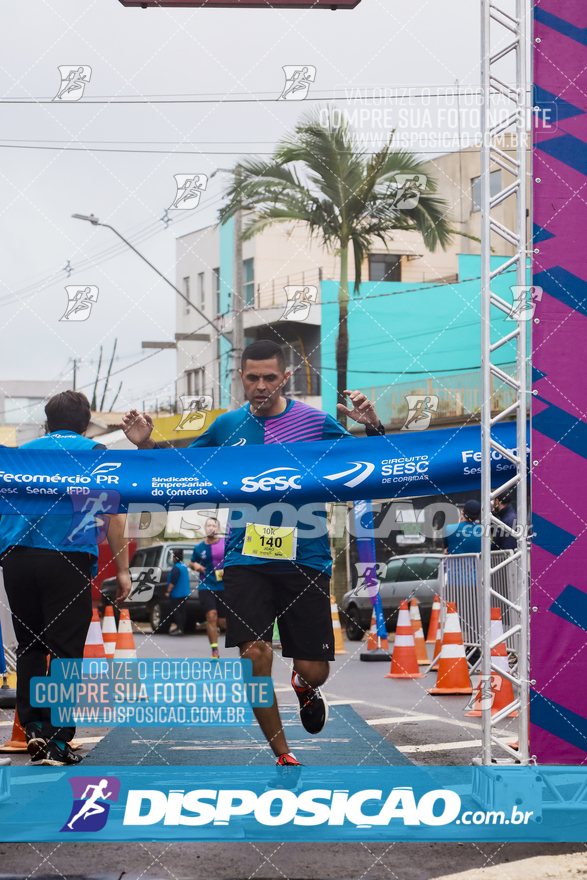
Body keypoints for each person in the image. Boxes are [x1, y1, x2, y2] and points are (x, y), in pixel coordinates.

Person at [122, 339, 384, 773]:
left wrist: (371, 426)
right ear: (240, 378)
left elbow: (375, 464)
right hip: (246, 559)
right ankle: (282, 753)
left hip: (308, 558)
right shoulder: (227, 426)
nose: (260, 386)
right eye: (252, 377)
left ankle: (303, 684)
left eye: (269, 378)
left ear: (285, 378)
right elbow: (183, 470)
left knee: (315, 669)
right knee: (255, 653)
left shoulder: (314, 423)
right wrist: (146, 444)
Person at [0, 390, 131, 766]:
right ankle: (57, 741)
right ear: (85, 423)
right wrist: (121, 571)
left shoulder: (23, 454)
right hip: (66, 558)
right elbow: (115, 516)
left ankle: (35, 731)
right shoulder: (96, 457)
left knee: (30, 646)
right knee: (65, 652)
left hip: (18, 557)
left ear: (47, 421)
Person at [189, 516, 226, 659]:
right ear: (205, 529)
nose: (211, 528)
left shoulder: (225, 544)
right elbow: (192, 563)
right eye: (209, 525)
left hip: (224, 586)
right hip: (206, 585)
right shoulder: (199, 548)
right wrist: (195, 566)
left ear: (219, 529)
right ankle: (215, 651)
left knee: (223, 622)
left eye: (214, 526)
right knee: (211, 616)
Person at [165, 550, 191, 636]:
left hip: (177, 593)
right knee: (182, 611)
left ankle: (179, 629)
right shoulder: (184, 566)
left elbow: (173, 581)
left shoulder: (176, 568)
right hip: (185, 592)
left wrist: (168, 591)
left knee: (177, 611)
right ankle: (181, 628)